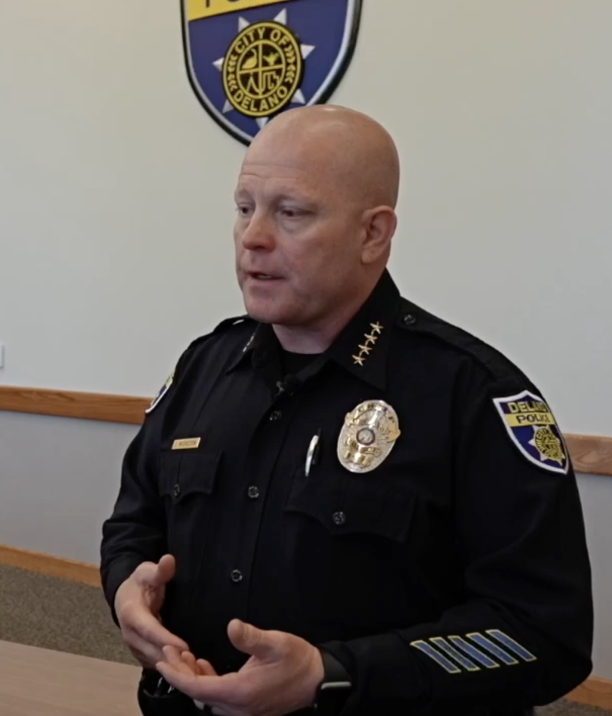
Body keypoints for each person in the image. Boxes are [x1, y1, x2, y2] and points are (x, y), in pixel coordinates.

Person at [100, 106, 593, 716]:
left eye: (291, 212)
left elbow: (542, 634)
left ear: (373, 234)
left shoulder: (474, 398)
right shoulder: (204, 369)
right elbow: (133, 523)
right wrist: (126, 587)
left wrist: (332, 675)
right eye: (244, 207)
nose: (253, 236)